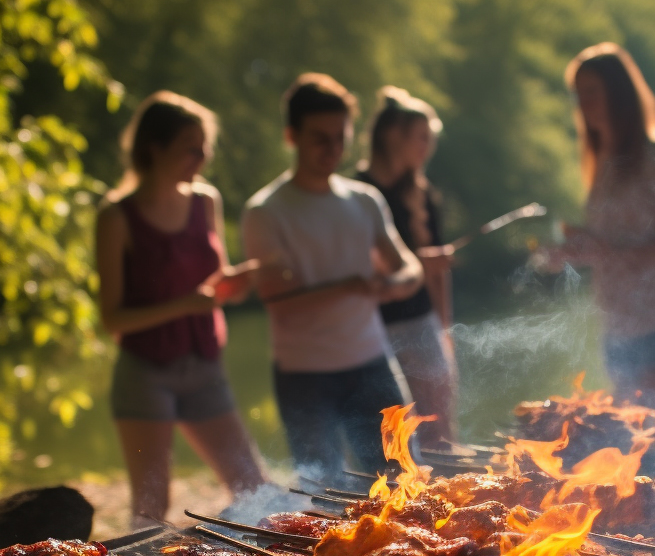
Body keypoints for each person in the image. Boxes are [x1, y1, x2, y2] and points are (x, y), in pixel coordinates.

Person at [95, 91, 268, 528]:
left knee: (254, 486)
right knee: (151, 509)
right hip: (145, 372)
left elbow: (214, 283)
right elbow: (113, 320)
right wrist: (186, 304)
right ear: (153, 148)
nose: (202, 157)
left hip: (204, 364)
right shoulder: (116, 217)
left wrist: (239, 281)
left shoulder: (206, 201)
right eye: (191, 147)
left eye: (205, 146)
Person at [242, 73, 424, 485]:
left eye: (340, 137)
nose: (333, 148)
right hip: (305, 378)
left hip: (373, 364)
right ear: (292, 136)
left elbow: (408, 266)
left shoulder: (364, 200)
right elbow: (276, 300)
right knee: (325, 497)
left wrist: (395, 285)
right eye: (320, 138)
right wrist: (346, 288)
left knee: (404, 481)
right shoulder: (266, 211)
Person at [544, 43, 655, 407]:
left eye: (591, 91)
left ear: (618, 94)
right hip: (620, 328)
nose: (583, 102)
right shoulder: (601, 161)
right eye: (578, 94)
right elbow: (610, 244)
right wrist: (576, 250)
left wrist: (613, 252)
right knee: (628, 447)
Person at [356, 87, 459, 447]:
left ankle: (448, 491)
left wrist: (444, 330)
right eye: (420, 137)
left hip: (421, 322)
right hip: (375, 328)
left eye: (430, 139)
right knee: (393, 430)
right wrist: (420, 261)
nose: (426, 147)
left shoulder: (423, 194)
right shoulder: (357, 192)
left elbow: (437, 274)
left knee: (440, 423)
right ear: (390, 135)